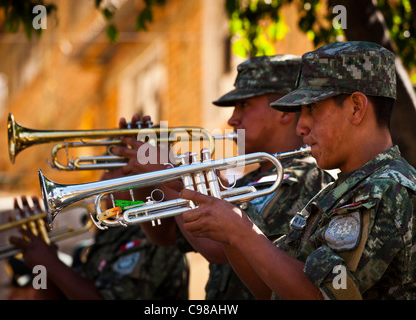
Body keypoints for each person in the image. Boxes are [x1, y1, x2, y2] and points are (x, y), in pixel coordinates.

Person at [180, 41, 416, 299]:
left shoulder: (387, 189)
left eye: (311, 108)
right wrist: (230, 233)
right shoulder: (339, 193)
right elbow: (270, 288)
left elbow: (321, 296)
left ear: (356, 108)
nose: (300, 126)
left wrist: (239, 229)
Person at [112, 55, 334, 299]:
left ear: (284, 111)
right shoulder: (246, 183)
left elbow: (217, 247)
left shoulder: (302, 176)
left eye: (245, 105)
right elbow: (162, 235)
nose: (232, 119)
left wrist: (167, 171)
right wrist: (146, 176)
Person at [9, 154, 189, 299]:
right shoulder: (109, 232)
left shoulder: (152, 236)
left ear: (141, 174)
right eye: (103, 171)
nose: (103, 179)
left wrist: (50, 262)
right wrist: (40, 268)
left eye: (111, 170)